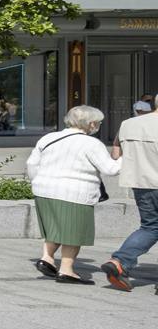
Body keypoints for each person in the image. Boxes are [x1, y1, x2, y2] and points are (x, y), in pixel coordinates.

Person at [28, 105, 122, 283]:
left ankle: (47, 258)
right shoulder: (91, 144)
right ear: (91, 123)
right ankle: (66, 270)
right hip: (75, 192)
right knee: (73, 232)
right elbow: (110, 169)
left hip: (43, 190)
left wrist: (38, 182)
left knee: (54, 227)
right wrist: (125, 157)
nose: (98, 126)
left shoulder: (48, 138)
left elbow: (32, 164)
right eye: (98, 123)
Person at [104, 97, 158, 291]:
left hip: (141, 183)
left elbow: (116, 152)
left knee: (150, 227)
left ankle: (119, 262)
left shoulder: (128, 124)